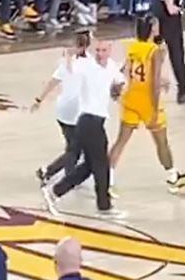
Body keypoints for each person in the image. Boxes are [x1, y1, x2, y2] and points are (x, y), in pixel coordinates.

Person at [108, 15, 185, 196]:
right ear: (151, 30)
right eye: (155, 27)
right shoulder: (155, 51)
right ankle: (173, 178)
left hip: (131, 98)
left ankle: (107, 181)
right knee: (161, 142)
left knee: (120, 142)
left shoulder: (132, 47)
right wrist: (155, 109)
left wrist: (116, 89)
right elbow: (154, 84)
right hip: (148, 101)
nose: (158, 29)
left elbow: (124, 71)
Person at [40, 38, 127, 218]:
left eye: (104, 50)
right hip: (89, 121)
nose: (100, 54)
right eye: (98, 50)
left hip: (95, 121)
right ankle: (104, 206)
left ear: (110, 51)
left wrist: (119, 88)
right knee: (101, 164)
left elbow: (120, 81)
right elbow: (72, 68)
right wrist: (69, 56)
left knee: (88, 165)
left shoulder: (111, 66)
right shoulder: (86, 66)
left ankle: (55, 192)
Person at [33, 31, 92, 183]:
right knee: (75, 150)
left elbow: (52, 82)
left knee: (71, 145)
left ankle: (70, 174)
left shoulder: (66, 63)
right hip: (76, 112)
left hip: (62, 111)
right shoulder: (90, 63)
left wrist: (39, 100)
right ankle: (48, 171)